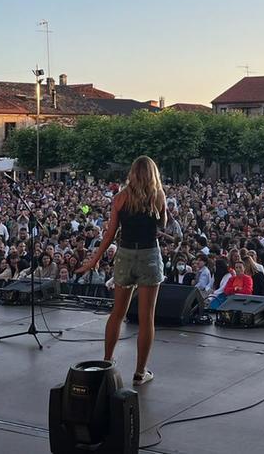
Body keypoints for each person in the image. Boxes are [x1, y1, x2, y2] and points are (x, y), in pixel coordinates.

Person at [78, 156, 166, 387]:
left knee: (117, 313)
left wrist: (92, 260)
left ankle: (107, 361)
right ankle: (139, 373)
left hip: (125, 254)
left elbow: (108, 235)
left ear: (132, 173)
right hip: (148, 255)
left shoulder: (120, 198)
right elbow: (163, 225)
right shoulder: (158, 195)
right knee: (146, 317)